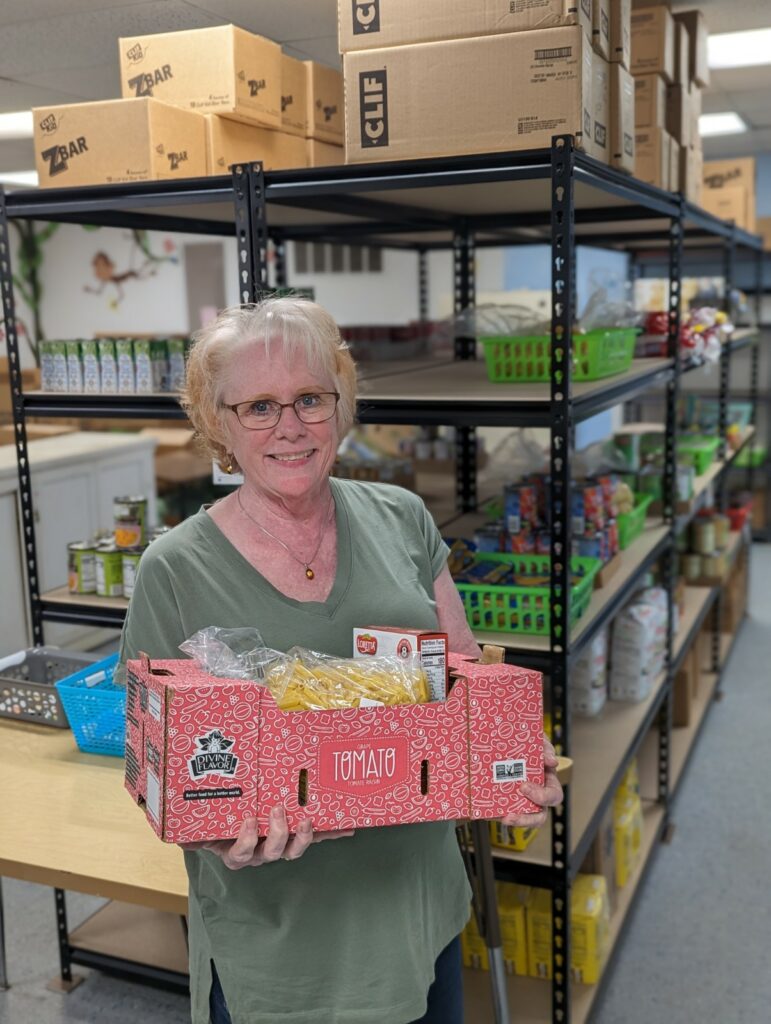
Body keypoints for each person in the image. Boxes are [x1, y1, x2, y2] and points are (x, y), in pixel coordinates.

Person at [119, 298, 563, 1024]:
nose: (289, 426)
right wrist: (219, 836)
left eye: (310, 399)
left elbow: (461, 683)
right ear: (217, 421)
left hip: (415, 906)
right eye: (258, 405)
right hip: (283, 943)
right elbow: (153, 767)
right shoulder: (173, 569)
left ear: (342, 403)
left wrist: (510, 754)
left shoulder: (401, 517)